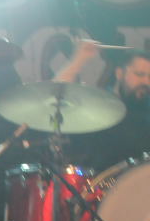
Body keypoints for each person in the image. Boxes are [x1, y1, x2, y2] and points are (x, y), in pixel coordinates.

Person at [54, 41, 150, 169]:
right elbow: (56, 96)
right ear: (119, 73)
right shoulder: (100, 104)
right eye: (139, 74)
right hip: (106, 178)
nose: (146, 82)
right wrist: (79, 60)